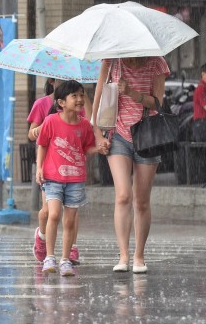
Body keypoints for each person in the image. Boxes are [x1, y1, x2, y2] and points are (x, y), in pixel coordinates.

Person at [92, 57, 170, 274]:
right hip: (119, 135)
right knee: (123, 195)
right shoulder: (112, 62)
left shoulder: (157, 63)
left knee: (142, 200)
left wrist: (132, 93)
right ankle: (124, 255)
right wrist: (98, 134)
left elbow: (158, 103)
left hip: (148, 135)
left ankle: (139, 256)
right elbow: (98, 98)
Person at [35, 81, 99, 276]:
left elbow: (87, 148)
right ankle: (49, 257)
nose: (80, 99)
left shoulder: (85, 125)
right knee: (53, 214)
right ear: (62, 102)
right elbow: (43, 144)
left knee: (70, 221)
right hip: (53, 176)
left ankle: (65, 260)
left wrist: (100, 149)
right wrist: (39, 167)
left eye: (81, 95)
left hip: (76, 179)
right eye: (75, 96)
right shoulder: (51, 121)